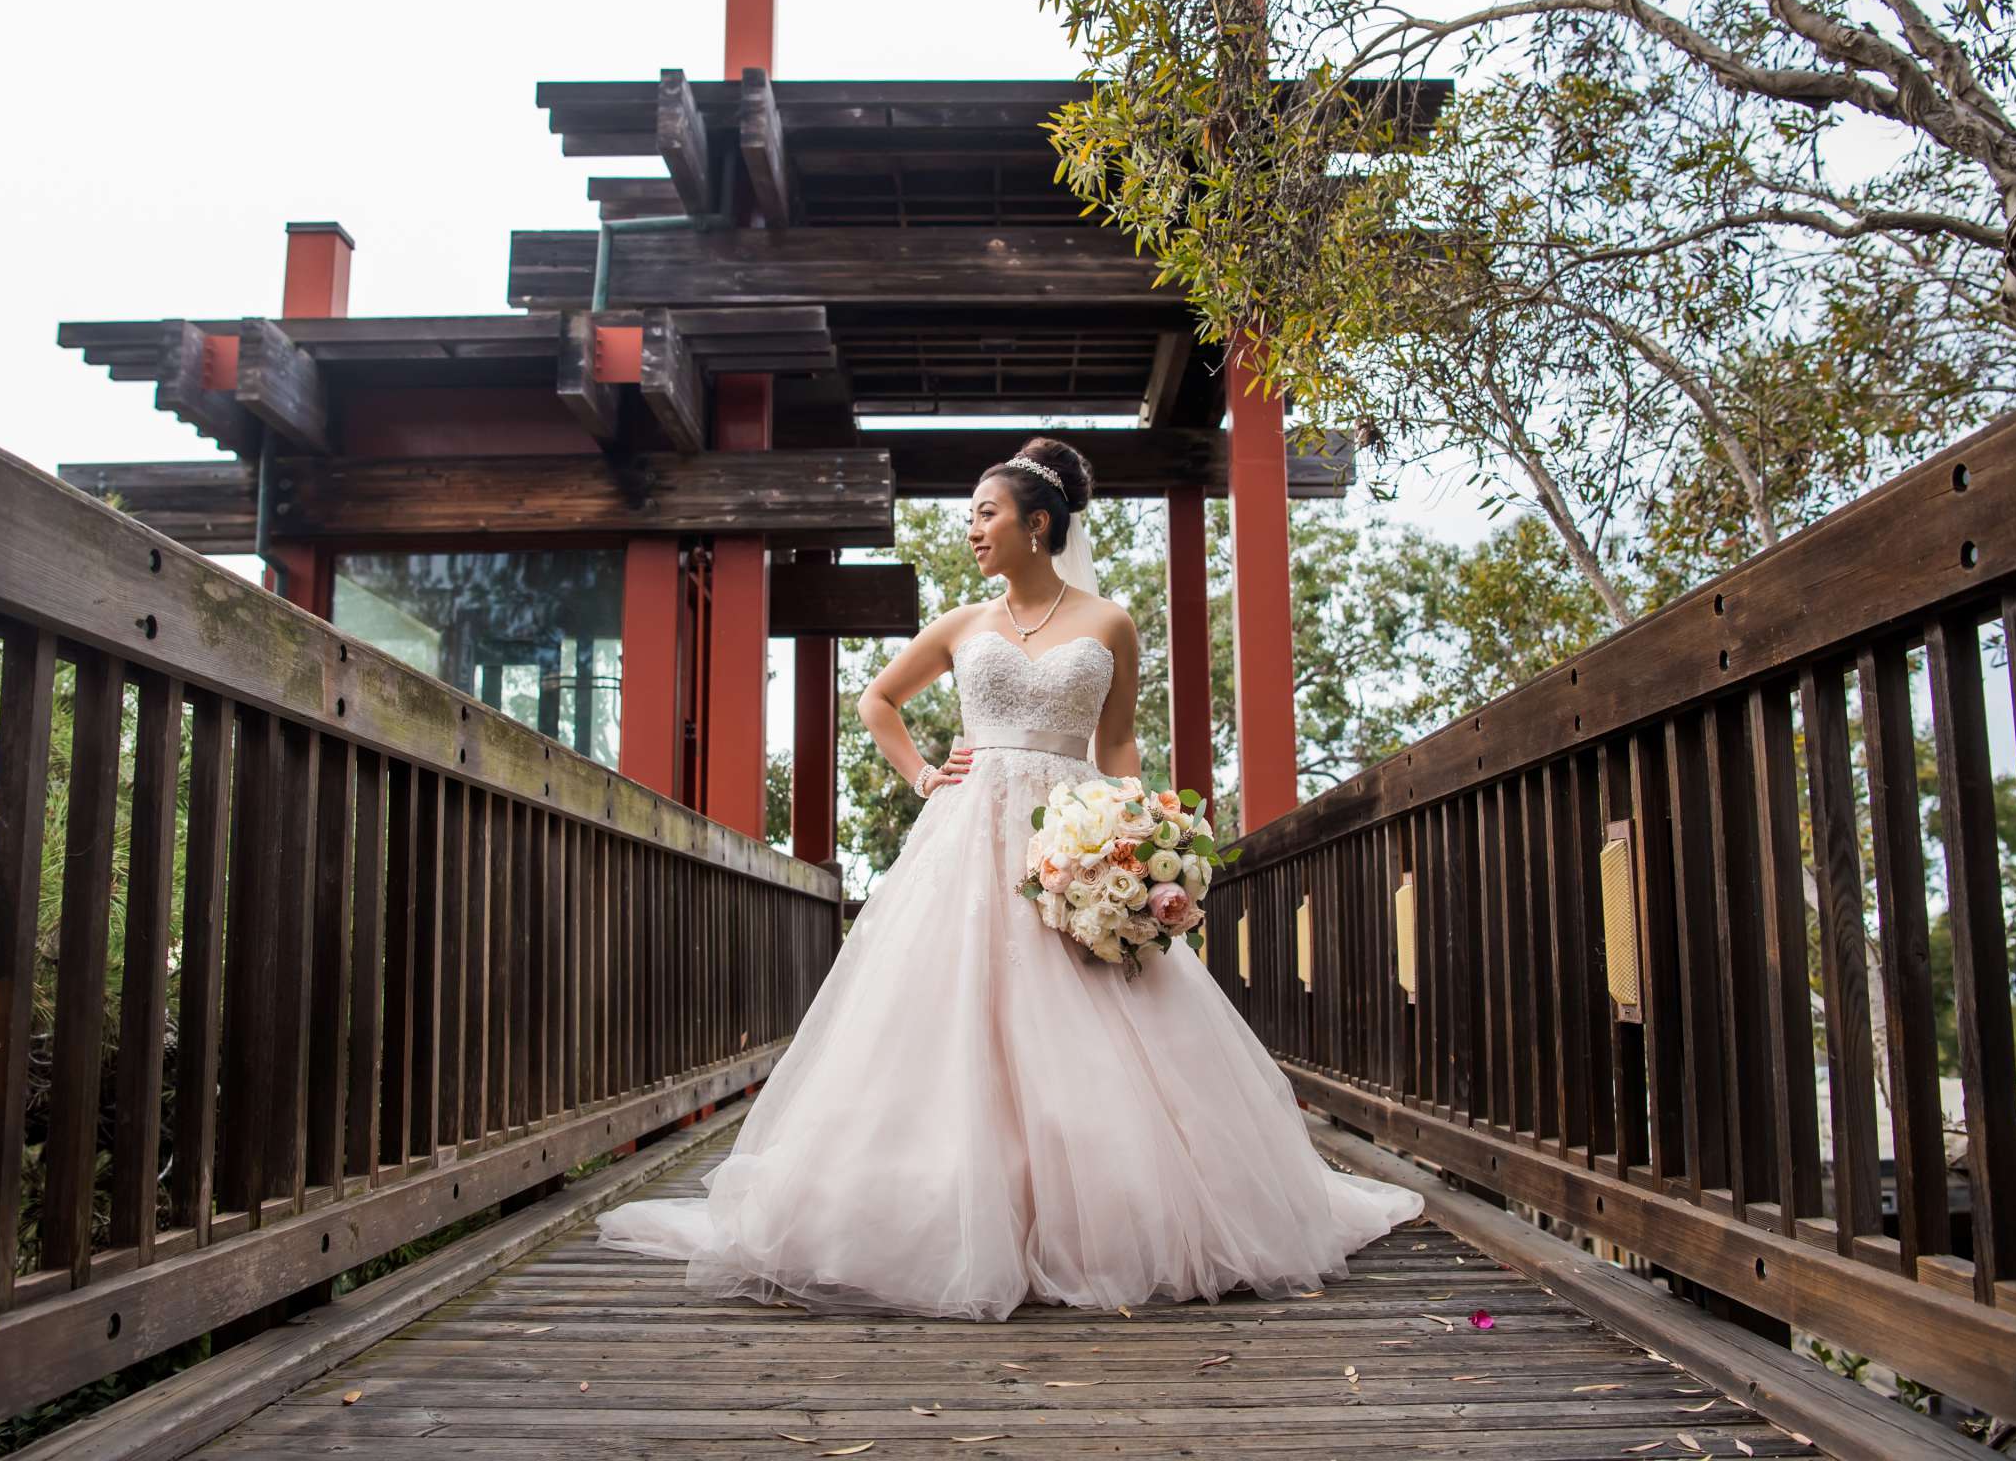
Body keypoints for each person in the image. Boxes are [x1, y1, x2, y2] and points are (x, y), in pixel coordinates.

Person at [587, 437, 1425, 1318]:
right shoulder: (962, 625)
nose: (973, 530)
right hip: (972, 828)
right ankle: (947, 1209)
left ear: (1038, 523)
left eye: (986, 514)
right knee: (953, 1010)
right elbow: (877, 700)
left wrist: (1137, 825)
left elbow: (1116, 742)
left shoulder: (1109, 623)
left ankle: (1104, 1211)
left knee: (1094, 1010)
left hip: (1073, 832)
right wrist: (922, 774)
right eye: (971, 517)